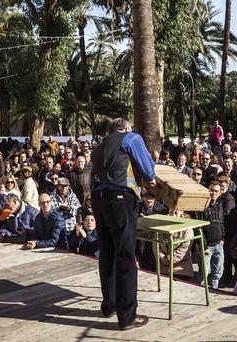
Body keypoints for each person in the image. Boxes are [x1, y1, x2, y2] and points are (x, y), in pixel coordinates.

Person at [90, 118, 154, 330]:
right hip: (120, 197)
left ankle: (109, 305)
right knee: (126, 254)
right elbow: (148, 170)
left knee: (107, 252)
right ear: (126, 128)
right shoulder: (131, 138)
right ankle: (127, 316)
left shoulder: (99, 148)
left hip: (99, 199)